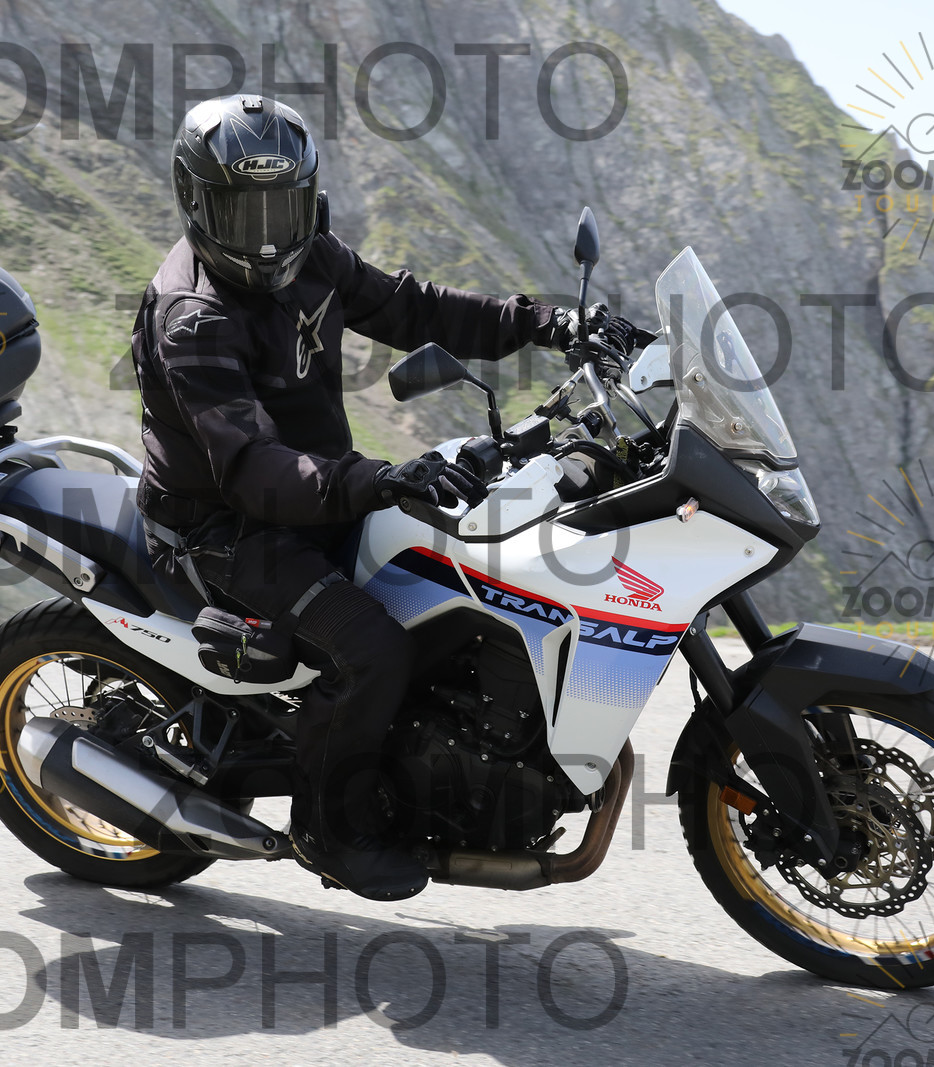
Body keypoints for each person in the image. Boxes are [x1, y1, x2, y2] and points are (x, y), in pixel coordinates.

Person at [131, 94, 640, 900]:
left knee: (463, 577)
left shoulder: (315, 257)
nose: (268, 234)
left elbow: (414, 307)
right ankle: (328, 831)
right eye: (245, 211)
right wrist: (377, 479)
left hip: (320, 493)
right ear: (197, 203)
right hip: (225, 529)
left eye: (283, 208)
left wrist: (549, 324)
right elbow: (253, 467)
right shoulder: (194, 318)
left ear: (309, 199)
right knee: (372, 647)